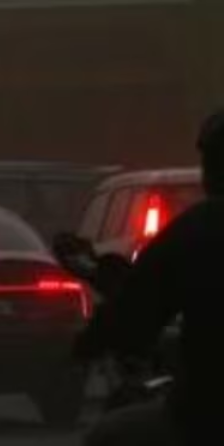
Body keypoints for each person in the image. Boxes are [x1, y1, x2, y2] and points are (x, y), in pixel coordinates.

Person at [75, 111, 224, 446]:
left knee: (107, 437)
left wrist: (90, 341)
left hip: (208, 413)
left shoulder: (197, 229)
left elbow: (133, 315)